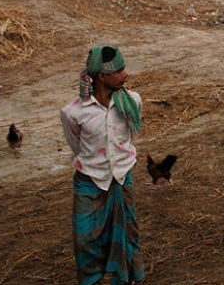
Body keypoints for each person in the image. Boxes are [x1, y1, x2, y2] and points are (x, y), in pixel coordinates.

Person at [60, 46, 145, 285]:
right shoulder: (73, 113)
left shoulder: (132, 101)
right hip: (89, 181)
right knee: (86, 239)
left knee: (127, 233)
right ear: (102, 77)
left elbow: (128, 139)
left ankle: (127, 278)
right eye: (119, 70)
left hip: (121, 178)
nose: (126, 74)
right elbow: (77, 146)